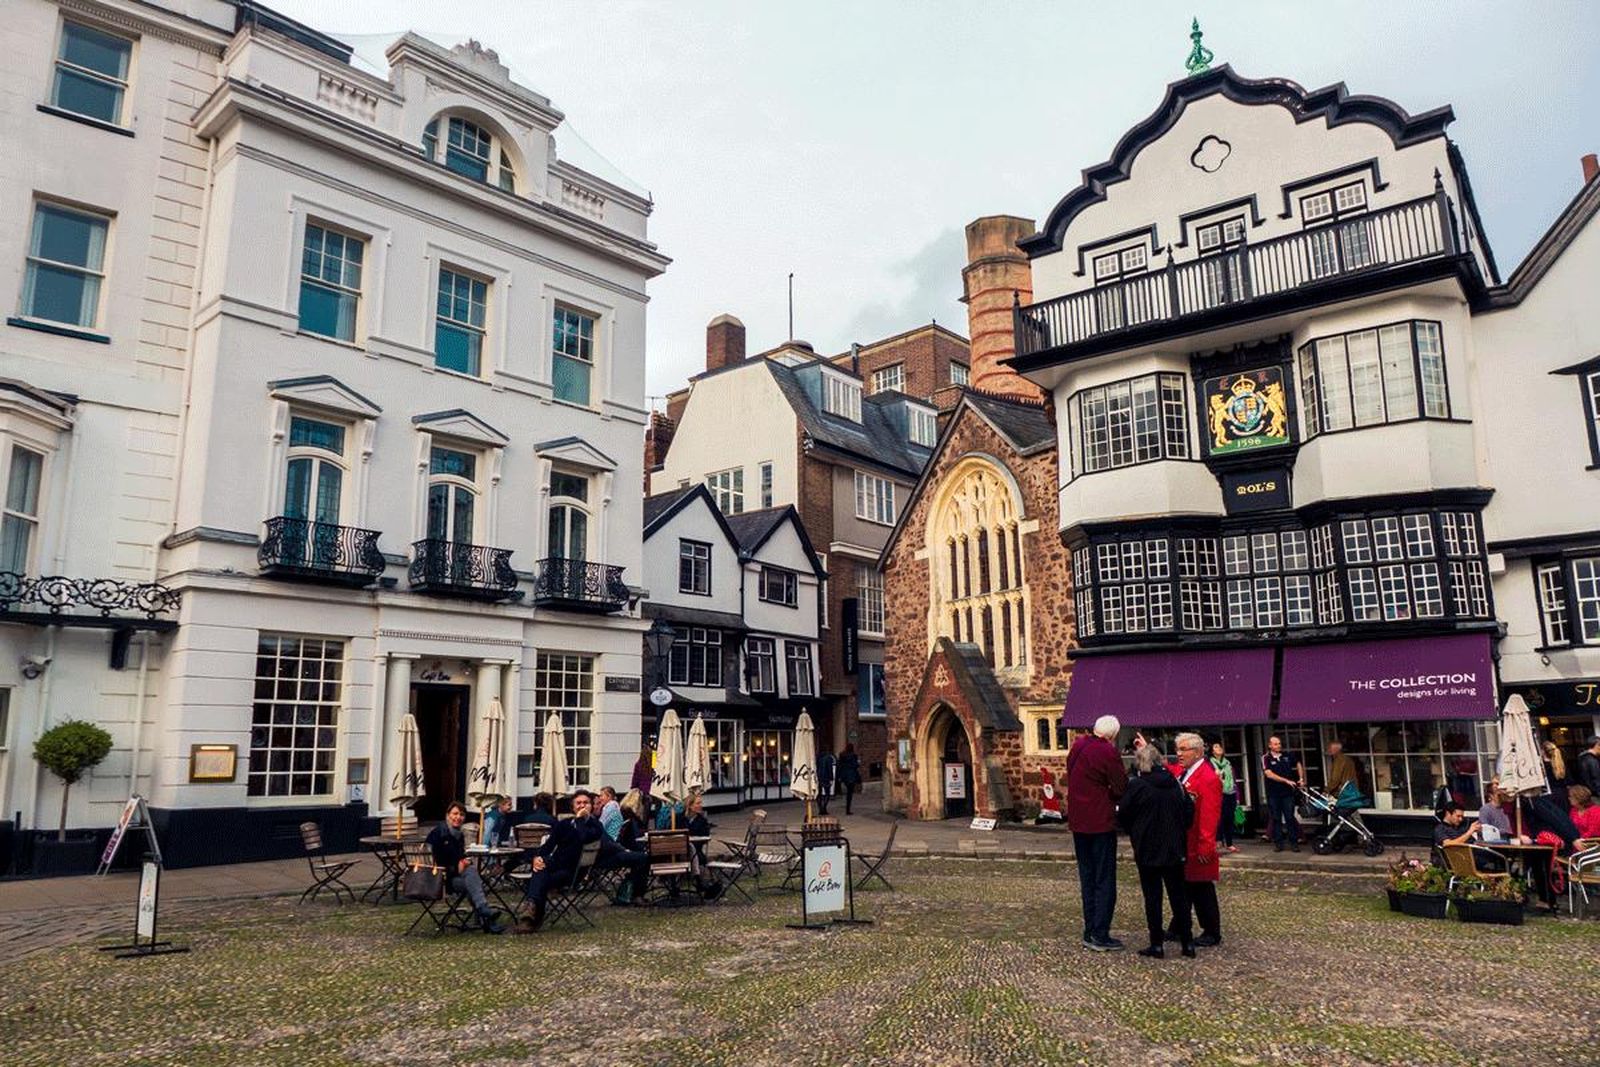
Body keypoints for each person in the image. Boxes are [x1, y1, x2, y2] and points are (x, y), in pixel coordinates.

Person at [1116, 742, 1193, 960]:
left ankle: (1156, 944)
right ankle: (1187, 943)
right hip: (1174, 846)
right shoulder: (1176, 783)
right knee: (1179, 896)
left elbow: (1123, 814)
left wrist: (1135, 831)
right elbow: (1189, 812)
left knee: (1153, 897)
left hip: (1148, 847)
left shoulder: (1138, 786)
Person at [1066, 714, 1128, 951]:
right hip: (1100, 822)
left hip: (1078, 821)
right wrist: (1110, 794)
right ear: (1112, 735)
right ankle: (1100, 933)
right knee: (1104, 879)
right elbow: (1120, 785)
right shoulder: (1107, 751)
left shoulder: (1078, 745)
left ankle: (1089, 929)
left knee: (1088, 878)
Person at [1167, 732, 1223, 947]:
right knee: (1185, 886)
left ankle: (1211, 930)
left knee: (1201, 888)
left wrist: (1206, 846)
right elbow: (1171, 770)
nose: (1179, 754)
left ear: (1198, 752)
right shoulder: (1186, 772)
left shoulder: (1207, 778)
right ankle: (1179, 926)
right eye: (1177, 749)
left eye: (1183, 750)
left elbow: (1209, 815)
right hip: (1184, 840)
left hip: (1197, 841)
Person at [427, 801, 506, 934]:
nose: (458, 817)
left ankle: (485, 915)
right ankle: (486, 917)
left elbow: (460, 857)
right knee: (473, 879)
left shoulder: (459, 835)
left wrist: (464, 862)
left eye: (462, 814)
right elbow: (433, 863)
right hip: (441, 880)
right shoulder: (439, 834)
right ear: (447, 815)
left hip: (456, 876)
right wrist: (456, 867)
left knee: (472, 878)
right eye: (455, 814)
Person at [1261, 735, 1305, 852]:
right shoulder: (1266, 758)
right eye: (1275, 744)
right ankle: (1279, 844)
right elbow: (1269, 774)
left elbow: (1298, 763)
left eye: (1279, 743)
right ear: (1270, 745)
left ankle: (1294, 843)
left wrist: (1301, 778)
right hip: (1273, 793)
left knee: (1290, 817)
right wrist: (1286, 780)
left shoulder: (1287, 755)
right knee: (1276, 818)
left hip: (1288, 793)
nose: (1278, 746)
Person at [1432, 800, 1480, 867]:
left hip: (1468, 858)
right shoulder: (1440, 828)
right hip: (1453, 861)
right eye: (1458, 816)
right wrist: (1469, 832)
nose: (1460, 819)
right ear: (1448, 814)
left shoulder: (1461, 827)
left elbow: (1472, 842)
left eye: (1462, 817)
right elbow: (1448, 844)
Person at [1210, 740, 1238, 853]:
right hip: (1218, 794)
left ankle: (1229, 843)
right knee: (1219, 819)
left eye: (1220, 746)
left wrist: (1237, 795)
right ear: (1212, 751)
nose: (1219, 748)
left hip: (1230, 792)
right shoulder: (1210, 763)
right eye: (1216, 747)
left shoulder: (1227, 763)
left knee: (1229, 818)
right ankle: (1218, 840)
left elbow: (1233, 778)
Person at [837, 744, 862, 815]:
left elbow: (839, 765)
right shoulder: (853, 756)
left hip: (844, 775)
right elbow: (855, 765)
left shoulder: (842, 755)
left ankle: (847, 808)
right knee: (850, 793)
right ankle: (848, 809)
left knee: (848, 791)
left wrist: (840, 775)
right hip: (851, 775)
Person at [817, 750, 837, 816]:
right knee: (827, 793)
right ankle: (824, 807)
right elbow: (830, 769)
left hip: (818, 777)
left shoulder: (818, 757)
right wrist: (831, 778)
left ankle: (820, 808)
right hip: (826, 777)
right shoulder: (829, 758)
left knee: (819, 794)